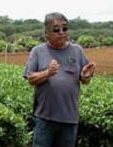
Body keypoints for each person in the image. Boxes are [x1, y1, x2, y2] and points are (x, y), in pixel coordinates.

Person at [24, 12, 96, 147]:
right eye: (56, 29)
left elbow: (84, 80)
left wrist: (86, 76)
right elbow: (31, 78)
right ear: (47, 33)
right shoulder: (38, 51)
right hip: (45, 118)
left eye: (65, 28)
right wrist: (47, 73)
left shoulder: (77, 51)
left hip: (70, 118)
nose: (62, 32)